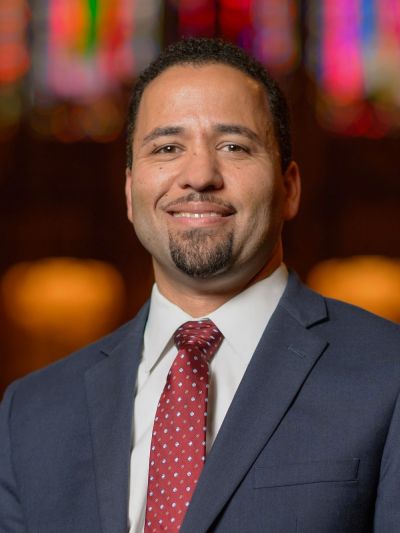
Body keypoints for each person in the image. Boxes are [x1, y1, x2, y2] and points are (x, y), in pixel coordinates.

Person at [1, 38, 400, 533]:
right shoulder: (32, 414)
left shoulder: (389, 377)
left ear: (289, 188)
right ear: (129, 193)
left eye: (233, 146)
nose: (199, 175)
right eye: (167, 148)